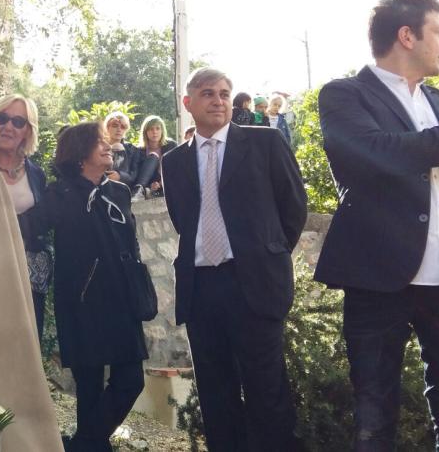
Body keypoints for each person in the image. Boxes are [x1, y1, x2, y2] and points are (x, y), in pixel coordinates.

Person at [315, 0, 439, 451]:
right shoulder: (344, 95)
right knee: (374, 418)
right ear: (406, 35)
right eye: (437, 31)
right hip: (379, 278)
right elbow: (377, 156)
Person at [161, 68, 307, 451]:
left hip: (253, 285)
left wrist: (266, 255)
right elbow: (183, 220)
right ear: (188, 102)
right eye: (208, 93)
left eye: (225, 93)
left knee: (267, 392)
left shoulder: (266, 143)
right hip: (201, 289)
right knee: (215, 395)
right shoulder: (174, 161)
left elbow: (294, 209)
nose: (219, 100)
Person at [20, 121, 148, 452]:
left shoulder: (119, 192)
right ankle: (92, 445)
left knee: (131, 380)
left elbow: (130, 244)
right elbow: (26, 228)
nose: (109, 146)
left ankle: (81, 444)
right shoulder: (58, 194)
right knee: (88, 386)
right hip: (80, 302)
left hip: (122, 299)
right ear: (80, 154)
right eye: (100, 142)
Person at [0, 94, 51, 341]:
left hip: (26, 280)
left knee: (25, 344)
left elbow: (41, 223)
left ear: (27, 131)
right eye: (2, 118)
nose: (8, 126)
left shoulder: (37, 175)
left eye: (18, 122)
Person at [134, 115, 176, 198]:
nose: (155, 132)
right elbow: (137, 173)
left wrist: (160, 183)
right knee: (153, 157)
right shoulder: (139, 150)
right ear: (145, 132)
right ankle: (140, 191)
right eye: (151, 129)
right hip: (147, 186)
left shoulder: (171, 145)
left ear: (162, 130)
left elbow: (176, 168)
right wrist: (151, 185)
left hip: (167, 183)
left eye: (157, 128)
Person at [103, 111, 141, 190]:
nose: (119, 129)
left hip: (124, 187)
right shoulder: (98, 147)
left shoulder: (133, 149)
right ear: (107, 128)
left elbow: (134, 175)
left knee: (118, 146)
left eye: (123, 127)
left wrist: (120, 176)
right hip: (103, 185)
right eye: (115, 126)